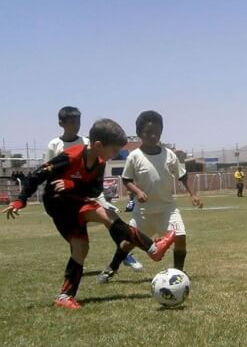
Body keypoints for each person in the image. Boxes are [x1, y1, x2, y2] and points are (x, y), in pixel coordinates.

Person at [2, 118, 176, 309]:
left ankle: (65, 297)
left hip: (77, 200)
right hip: (57, 204)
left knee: (82, 246)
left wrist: (72, 184)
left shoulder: (100, 162)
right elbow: (37, 175)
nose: (116, 154)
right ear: (99, 145)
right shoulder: (71, 157)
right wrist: (21, 200)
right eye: (114, 151)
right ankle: (153, 249)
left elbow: (94, 190)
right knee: (101, 221)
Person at [97, 111, 203, 283]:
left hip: (167, 209)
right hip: (143, 212)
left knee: (181, 237)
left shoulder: (169, 154)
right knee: (127, 243)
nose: (153, 136)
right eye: (148, 133)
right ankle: (111, 268)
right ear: (139, 133)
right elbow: (126, 179)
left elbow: (182, 175)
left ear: (161, 131)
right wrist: (137, 192)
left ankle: (178, 273)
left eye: (157, 132)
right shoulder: (134, 156)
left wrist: (193, 194)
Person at [46, 106, 143, 271]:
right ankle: (76, 263)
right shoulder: (54, 145)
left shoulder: (86, 142)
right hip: (69, 196)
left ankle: (125, 254)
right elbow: (50, 170)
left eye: (78, 121)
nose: (76, 125)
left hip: (90, 192)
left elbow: (97, 166)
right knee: (76, 233)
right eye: (71, 122)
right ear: (61, 124)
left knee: (110, 218)